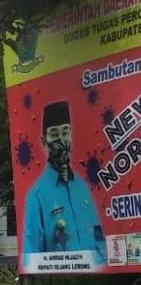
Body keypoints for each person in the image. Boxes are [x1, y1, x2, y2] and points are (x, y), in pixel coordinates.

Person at [23, 101, 105, 264]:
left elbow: (99, 241)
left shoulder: (82, 187)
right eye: (54, 134)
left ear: (72, 136)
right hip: (60, 282)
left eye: (65, 132)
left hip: (94, 279)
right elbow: (32, 258)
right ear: (43, 141)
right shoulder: (36, 196)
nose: (61, 140)